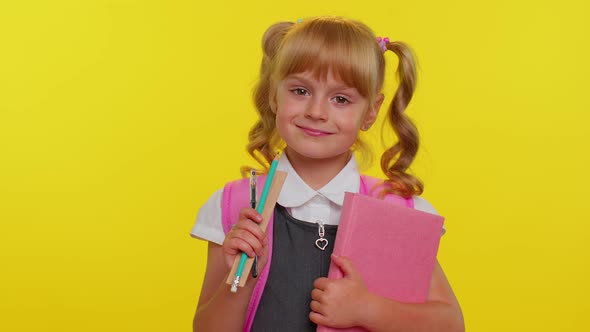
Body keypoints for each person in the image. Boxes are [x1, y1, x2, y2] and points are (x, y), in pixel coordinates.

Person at [191, 16, 464, 332]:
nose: (316, 111)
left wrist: (367, 309)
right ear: (273, 95)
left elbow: (449, 324)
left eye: (340, 99)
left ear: (371, 112)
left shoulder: (397, 209)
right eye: (300, 90)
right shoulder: (234, 205)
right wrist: (241, 278)